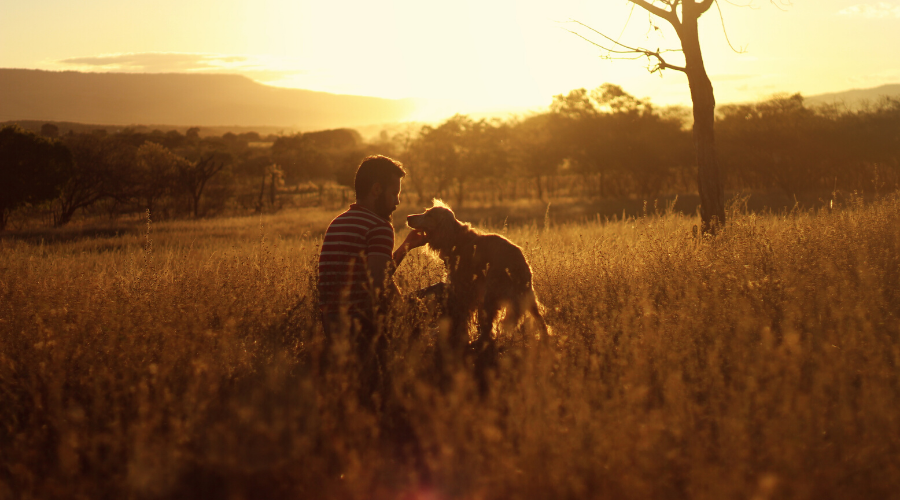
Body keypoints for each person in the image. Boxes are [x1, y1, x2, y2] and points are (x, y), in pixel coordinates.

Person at [317, 155, 425, 408]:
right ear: (377, 189)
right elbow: (379, 284)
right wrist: (406, 316)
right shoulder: (379, 226)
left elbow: (370, 274)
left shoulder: (338, 222)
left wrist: (405, 248)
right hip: (362, 326)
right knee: (442, 294)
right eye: (394, 192)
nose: (398, 200)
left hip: (332, 325)